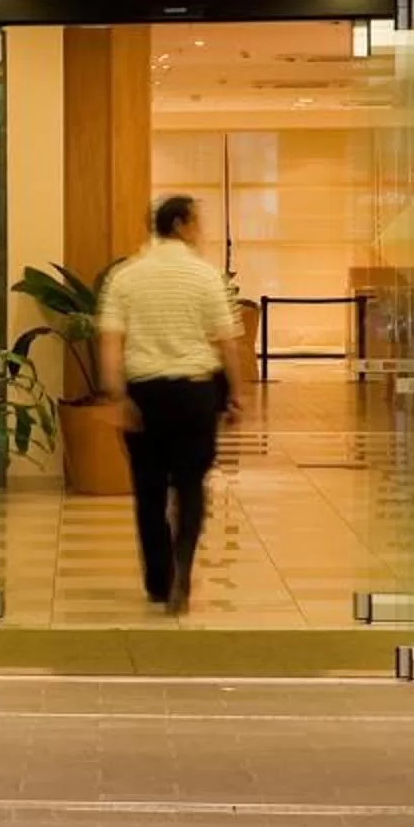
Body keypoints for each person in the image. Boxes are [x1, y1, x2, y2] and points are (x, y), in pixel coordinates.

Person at [97, 194, 244, 615]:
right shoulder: (205, 276)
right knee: (190, 486)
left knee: (149, 490)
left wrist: (117, 395)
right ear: (180, 224)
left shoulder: (125, 277)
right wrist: (235, 394)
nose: (202, 231)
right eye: (198, 223)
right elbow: (227, 342)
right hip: (195, 394)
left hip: (144, 395)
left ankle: (159, 582)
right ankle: (184, 564)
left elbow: (110, 341)